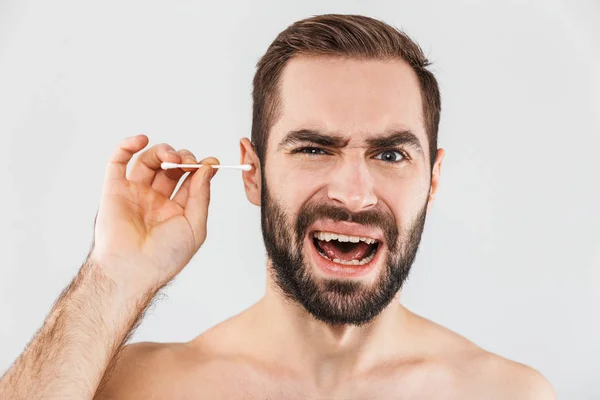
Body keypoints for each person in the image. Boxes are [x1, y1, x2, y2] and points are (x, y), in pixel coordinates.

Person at [0, 14, 556, 399]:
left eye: (390, 154)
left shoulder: (506, 392)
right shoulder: (132, 387)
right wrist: (114, 276)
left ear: (432, 179)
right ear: (253, 172)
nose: (354, 194)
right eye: (315, 149)